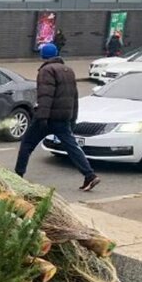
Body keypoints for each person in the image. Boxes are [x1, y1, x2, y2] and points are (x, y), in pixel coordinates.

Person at [14, 43, 101, 192]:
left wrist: (41, 118)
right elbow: (74, 97)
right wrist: (72, 118)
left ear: (44, 56)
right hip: (63, 118)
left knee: (27, 144)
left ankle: (17, 176)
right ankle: (90, 175)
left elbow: (45, 96)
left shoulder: (46, 71)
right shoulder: (69, 71)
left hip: (47, 118)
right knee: (72, 147)